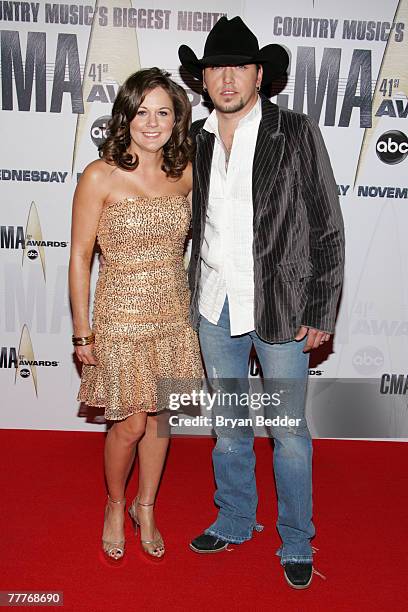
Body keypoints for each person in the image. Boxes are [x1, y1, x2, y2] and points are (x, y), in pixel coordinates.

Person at [178, 16, 345, 588]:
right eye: (216, 68)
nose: (227, 79)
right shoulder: (194, 140)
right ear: (203, 79)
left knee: (289, 430)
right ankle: (235, 518)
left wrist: (321, 310)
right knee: (229, 425)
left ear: (259, 75)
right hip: (214, 305)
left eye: (238, 68)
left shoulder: (294, 131)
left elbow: (327, 226)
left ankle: (297, 538)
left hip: (279, 306)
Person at [69, 67, 202, 561]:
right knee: (129, 422)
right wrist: (83, 333)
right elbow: (81, 256)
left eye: (163, 112)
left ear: (176, 121)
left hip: (172, 312)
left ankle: (146, 506)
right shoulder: (99, 175)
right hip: (120, 313)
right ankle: (115, 502)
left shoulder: (186, 173)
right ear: (125, 116)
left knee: (162, 418)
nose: (153, 122)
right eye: (142, 111)